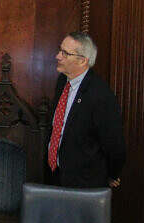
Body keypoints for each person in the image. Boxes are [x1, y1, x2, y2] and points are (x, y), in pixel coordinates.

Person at [45, 32, 125, 189]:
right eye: (60, 50)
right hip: (55, 175)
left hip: (84, 184)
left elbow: (115, 145)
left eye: (65, 53)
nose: (57, 56)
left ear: (82, 61)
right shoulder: (62, 81)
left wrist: (112, 174)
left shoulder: (101, 95)